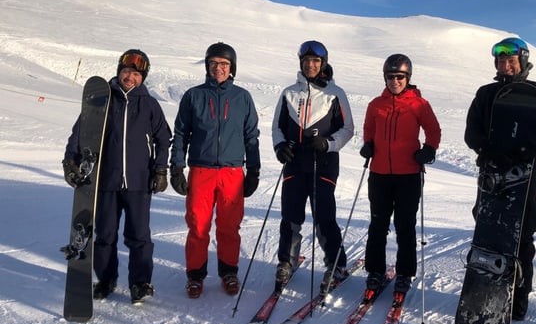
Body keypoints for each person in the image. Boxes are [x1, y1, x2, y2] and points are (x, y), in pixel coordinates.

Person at [464, 37, 536, 320]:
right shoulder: (486, 94)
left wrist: (526, 151)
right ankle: (483, 292)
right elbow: (472, 133)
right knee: (488, 231)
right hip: (491, 173)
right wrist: (488, 151)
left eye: (511, 60)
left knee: (522, 234)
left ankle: (518, 300)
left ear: (522, 61)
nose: (505, 65)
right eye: (501, 60)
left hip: (523, 176)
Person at [63, 49, 172, 304]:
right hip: (106, 181)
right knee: (105, 235)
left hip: (139, 182)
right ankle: (106, 279)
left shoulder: (150, 104)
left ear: (142, 77)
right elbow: (80, 134)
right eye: (126, 72)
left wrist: (160, 169)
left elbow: (164, 139)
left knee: (139, 236)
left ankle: (140, 283)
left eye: (135, 74)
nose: (130, 77)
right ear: (118, 72)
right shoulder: (103, 100)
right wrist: (70, 160)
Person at [170, 42, 261, 299]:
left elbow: (251, 134)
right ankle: (195, 276)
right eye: (213, 64)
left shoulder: (242, 97)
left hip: (232, 172)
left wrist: (253, 168)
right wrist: (177, 165)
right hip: (201, 170)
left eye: (223, 64)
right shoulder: (193, 96)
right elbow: (180, 133)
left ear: (232, 68)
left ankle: (229, 271)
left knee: (229, 225)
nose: (218, 68)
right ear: (207, 66)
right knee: (198, 225)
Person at [272, 40, 354, 293]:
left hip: (325, 164)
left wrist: (328, 143)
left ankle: (336, 265)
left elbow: (348, 129)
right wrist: (280, 146)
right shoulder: (288, 92)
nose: (311, 65)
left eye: (316, 61)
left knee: (324, 218)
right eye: (306, 61)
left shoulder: (335, 93)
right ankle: (287, 261)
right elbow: (277, 126)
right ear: (301, 63)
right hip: (295, 164)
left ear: (323, 64)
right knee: (290, 217)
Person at [359, 54, 441, 296]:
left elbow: (433, 130)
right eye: (390, 76)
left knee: (405, 225)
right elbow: (368, 129)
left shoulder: (419, 104)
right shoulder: (376, 104)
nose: (395, 81)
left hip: (409, 174)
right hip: (380, 173)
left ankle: (405, 273)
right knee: (378, 223)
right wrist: (368, 144)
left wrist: (428, 150)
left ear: (408, 78)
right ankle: (375, 270)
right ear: (384, 78)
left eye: (399, 77)